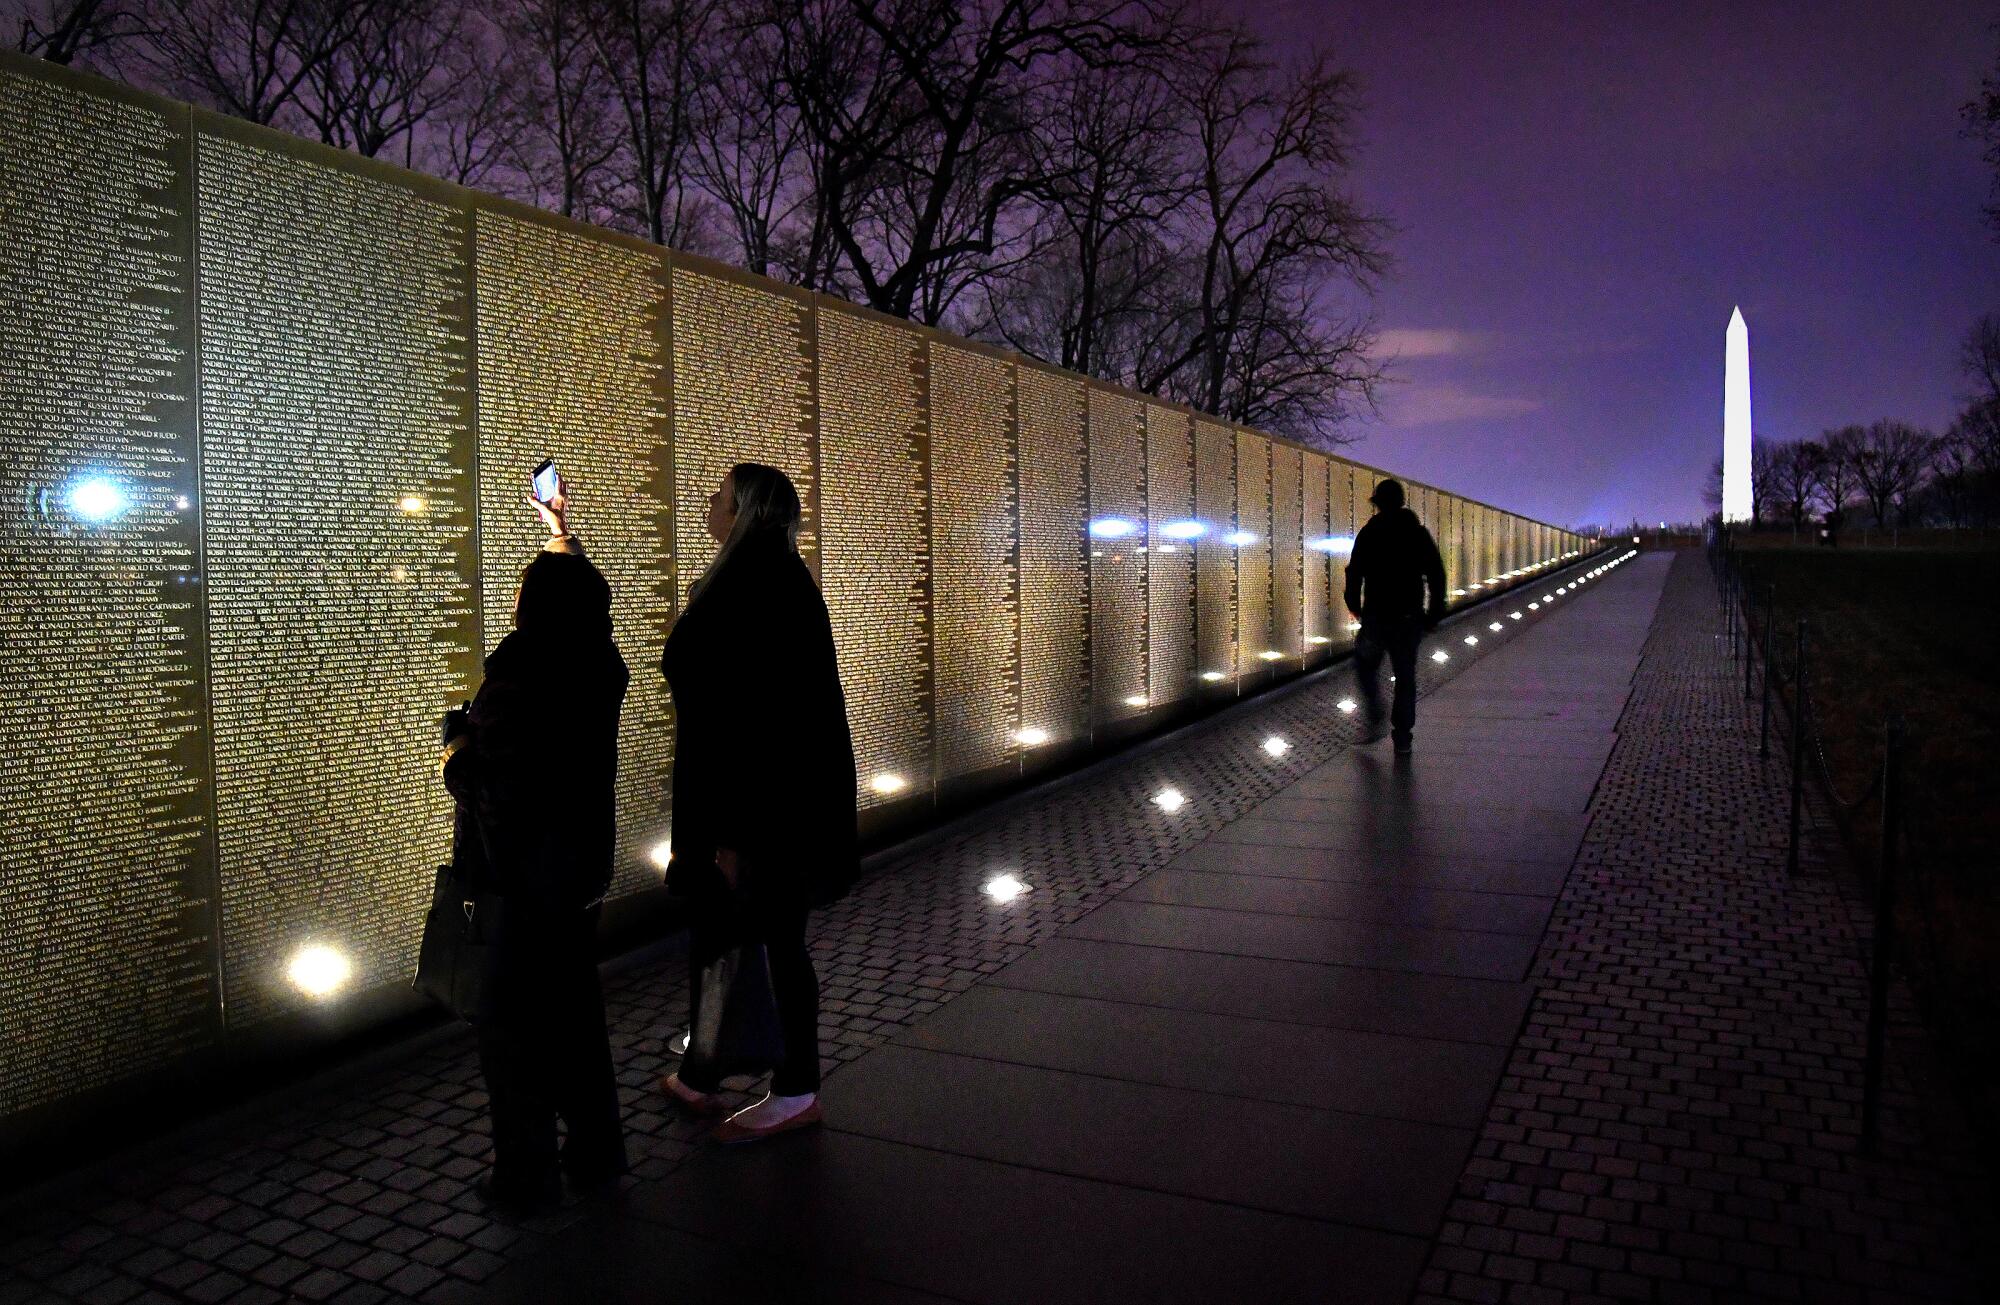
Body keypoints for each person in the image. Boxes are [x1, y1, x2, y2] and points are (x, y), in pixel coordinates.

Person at [440, 478, 629, 1211]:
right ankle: (597, 1150)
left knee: (512, 1034)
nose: (513, 598)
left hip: (517, 889)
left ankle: (525, 1174)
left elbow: (496, 797)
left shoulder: (519, 685)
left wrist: (457, 745)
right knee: (577, 1019)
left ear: (528, 607)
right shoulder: (594, 662)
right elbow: (578, 592)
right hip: (577, 875)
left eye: (522, 588)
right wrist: (560, 530)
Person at [656, 462, 858, 1144]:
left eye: (717, 495)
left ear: (744, 509)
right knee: (731, 937)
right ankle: (703, 1070)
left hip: (764, 812)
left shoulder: (757, 584)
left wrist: (732, 834)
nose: (707, 503)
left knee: (774, 942)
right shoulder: (765, 576)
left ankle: (797, 1087)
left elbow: (754, 723)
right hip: (764, 806)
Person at [1343, 478, 1447, 755]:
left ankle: (1376, 712)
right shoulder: (1417, 534)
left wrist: (1354, 605)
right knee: (1404, 676)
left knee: (1365, 666)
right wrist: (1434, 613)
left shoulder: (1370, 533)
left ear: (1377, 504)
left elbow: (1354, 572)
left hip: (1376, 619)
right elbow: (1436, 574)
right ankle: (1402, 734)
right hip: (1408, 618)